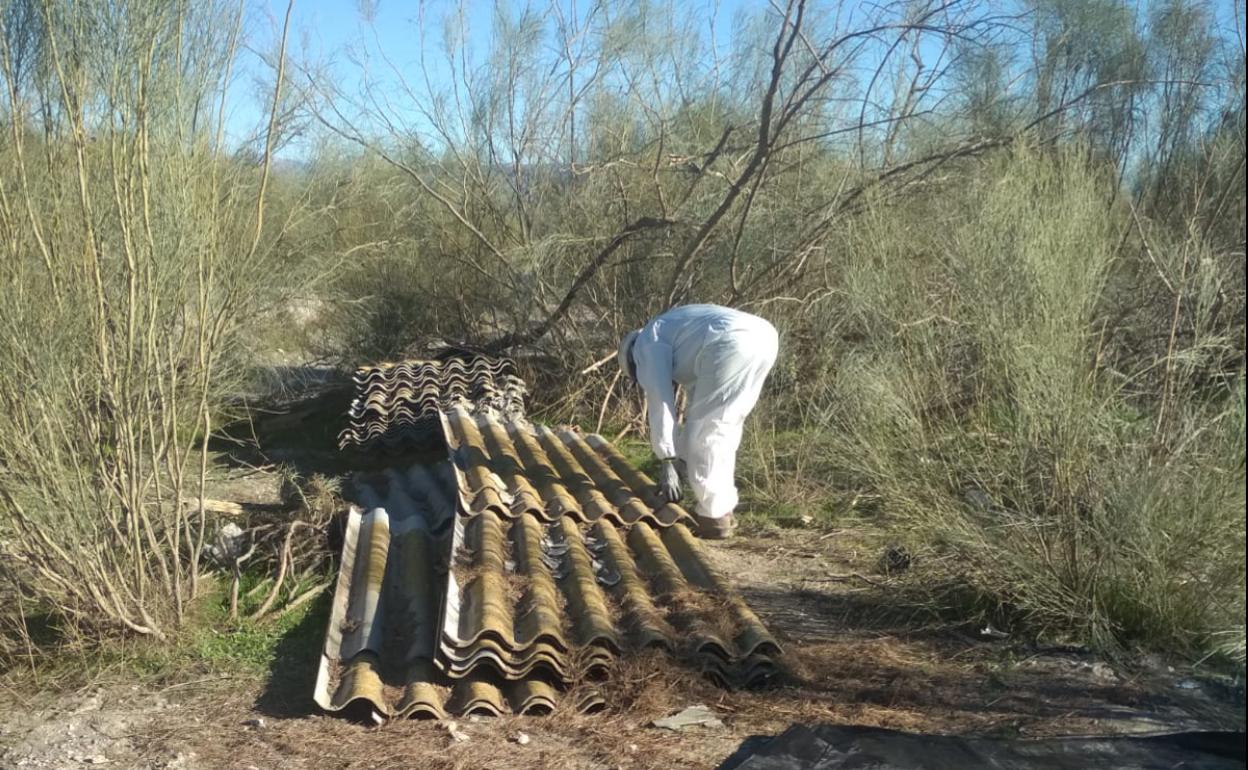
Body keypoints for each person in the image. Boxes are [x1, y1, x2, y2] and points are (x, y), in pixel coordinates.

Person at [617, 304, 779, 539]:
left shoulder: (646, 345)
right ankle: (723, 507)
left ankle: (713, 517)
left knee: (707, 431)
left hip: (730, 341)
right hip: (764, 336)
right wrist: (682, 459)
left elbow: (660, 400)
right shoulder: (672, 331)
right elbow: (697, 404)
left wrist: (667, 460)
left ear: (633, 361)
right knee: (725, 425)